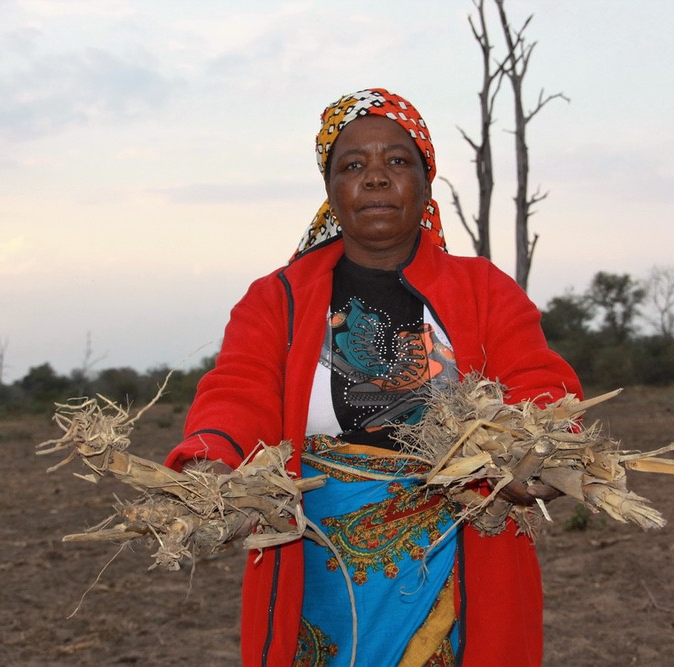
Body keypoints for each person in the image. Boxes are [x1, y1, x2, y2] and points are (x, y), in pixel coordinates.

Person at [165, 88, 582, 667]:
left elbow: (538, 376)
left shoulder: (483, 290)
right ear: (331, 190)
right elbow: (237, 391)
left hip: (459, 561)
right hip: (318, 565)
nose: (376, 178)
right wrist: (215, 466)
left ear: (426, 180)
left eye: (397, 161)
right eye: (353, 166)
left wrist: (537, 445)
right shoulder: (276, 301)